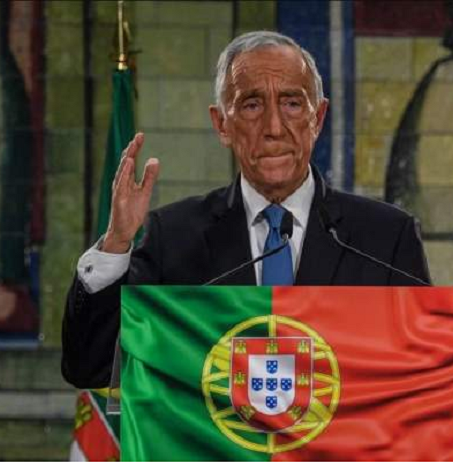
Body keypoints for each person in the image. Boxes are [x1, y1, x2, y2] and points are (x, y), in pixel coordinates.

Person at [62, 31, 431, 389]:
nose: (274, 128)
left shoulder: (385, 239)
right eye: (252, 105)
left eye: (292, 103)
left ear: (317, 118)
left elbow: (427, 375)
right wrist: (116, 243)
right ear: (222, 124)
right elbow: (91, 368)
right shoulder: (173, 237)